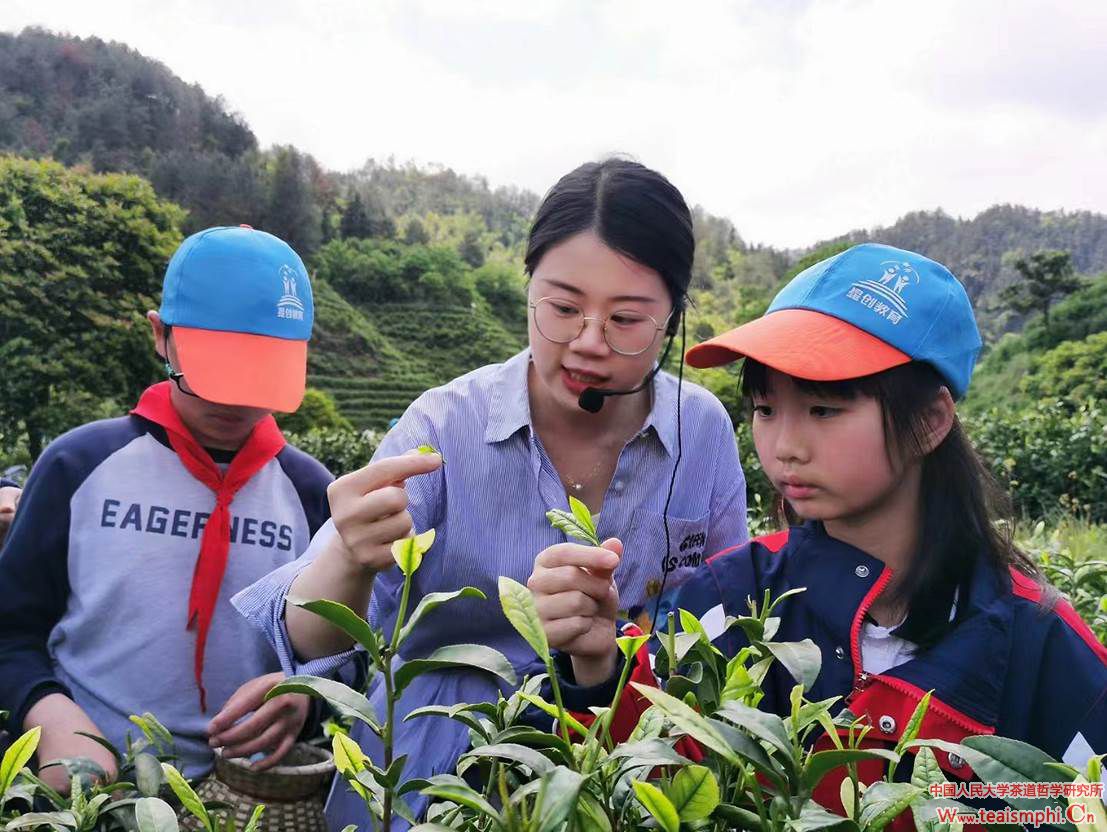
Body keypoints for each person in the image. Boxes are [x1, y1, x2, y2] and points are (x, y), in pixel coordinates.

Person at [233, 159, 750, 826]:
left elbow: (722, 628)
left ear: (671, 319)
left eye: (625, 320)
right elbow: (309, 639)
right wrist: (349, 557)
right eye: (562, 308)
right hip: (430, 771)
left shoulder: (698, 430)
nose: (587, 344)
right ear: (528, 285)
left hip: (618, 764)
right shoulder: (445, 426)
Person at [530, 243, 1107, 822]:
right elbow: (645, 779)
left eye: (823, 409)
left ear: (930, 421)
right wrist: (596, 665)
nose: (783, 447)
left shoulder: (1036, 642)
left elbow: (1089, 802)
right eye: (764, 408)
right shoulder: (730, 598)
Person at [0, 226, 334, 788]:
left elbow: (341, 653)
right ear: (161, 336)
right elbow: (10, 629)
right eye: (218, 370)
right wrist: (46, 710)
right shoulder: (78, 466)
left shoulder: (309, 493)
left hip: (247, 793)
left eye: (258, 373)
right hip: (91, 786)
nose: (234, 399)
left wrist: (309, 697)